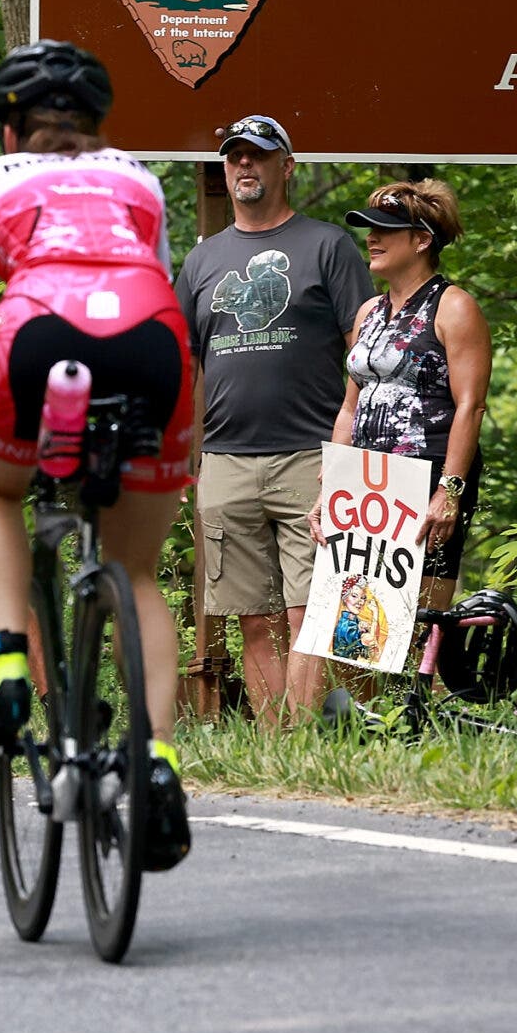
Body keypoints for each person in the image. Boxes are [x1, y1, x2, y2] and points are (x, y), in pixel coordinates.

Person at [0, 41, 196, 870]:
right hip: (151, 332)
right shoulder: (140, 180)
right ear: (98, 124)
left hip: (37, 329)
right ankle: (158, 758)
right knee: (140, 572)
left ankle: (10, 660)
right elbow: (153, 270)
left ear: (11, 125)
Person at [174, 115, 373, 727]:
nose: (244, 167)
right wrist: (183, 454)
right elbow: (183, 366)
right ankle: (274, 747)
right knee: (252, 618)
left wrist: (352, 445)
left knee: (313, 610)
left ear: (286, 166)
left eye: (257, 157)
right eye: (234, 157)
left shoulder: (327, 246)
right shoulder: (202, 260)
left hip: (310, 457)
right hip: (226, 460)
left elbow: (365, 352)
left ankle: (313, 743)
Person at [331, 180, 493, 660]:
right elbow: (348, 407)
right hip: (365, 484)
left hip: (426, 478)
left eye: (385, 230)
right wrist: (332, 485)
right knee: (357, 627)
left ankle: (420, 725)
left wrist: (450, 491)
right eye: (368, 230)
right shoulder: (369, 312)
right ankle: (365, 730)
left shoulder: (453, 306)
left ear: (422, 239)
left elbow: (471, 405)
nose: (371, 240)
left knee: (417, 623)